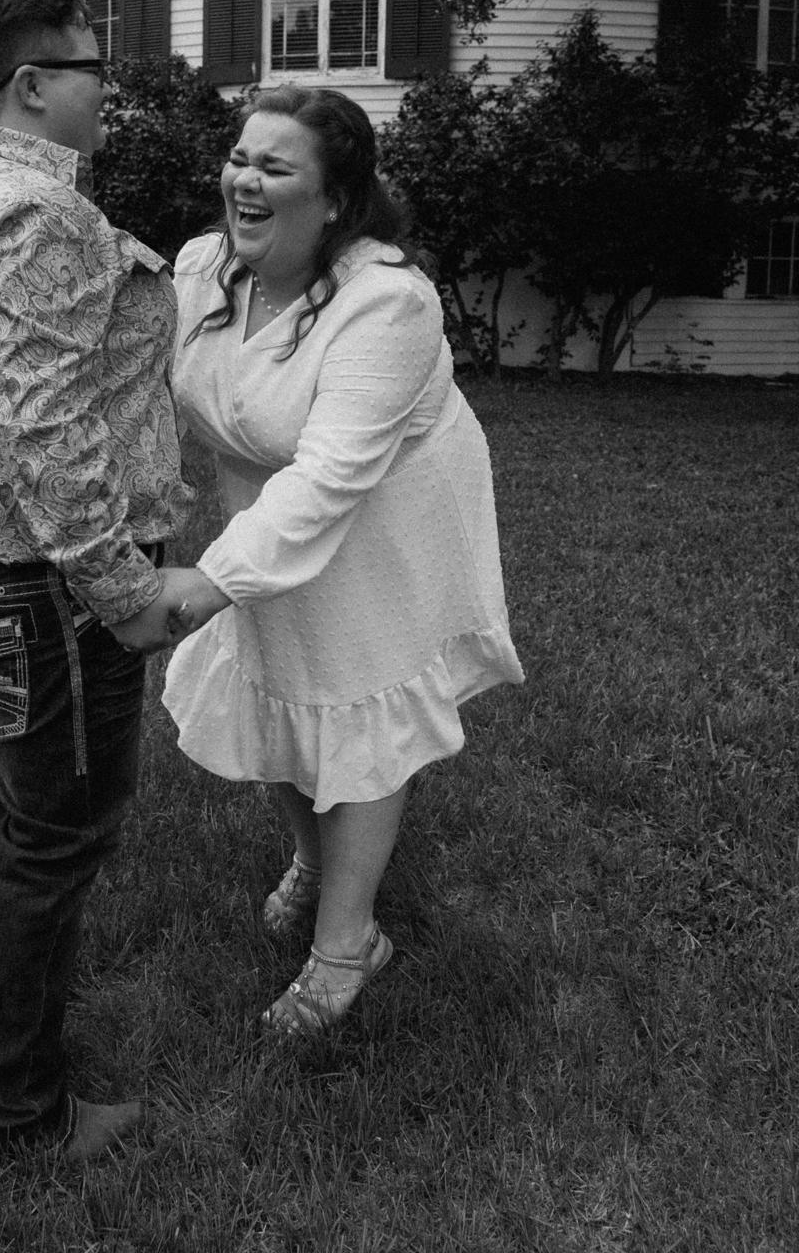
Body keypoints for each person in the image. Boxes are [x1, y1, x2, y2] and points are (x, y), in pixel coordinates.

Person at [0, 0, 191, 1160]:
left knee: (17, 803)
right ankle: (9, 1110)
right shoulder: (37, 212)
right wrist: (123, 589)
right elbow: (44, 425)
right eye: (94, 69)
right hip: (42, 580)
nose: (108, 90)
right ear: (30, 85)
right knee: (60, 827)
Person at [155, 87, 524, 1036]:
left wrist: (211, 579)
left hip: (377, 515)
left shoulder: (388, 304)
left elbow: (329, 476)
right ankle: (316, 863)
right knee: (275, 682)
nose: (244, 180)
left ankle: (345, 946)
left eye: (275, 168)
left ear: (335, 203)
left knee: (358, 709)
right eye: (240, 158)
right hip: (261, 506)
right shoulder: (201, 271)